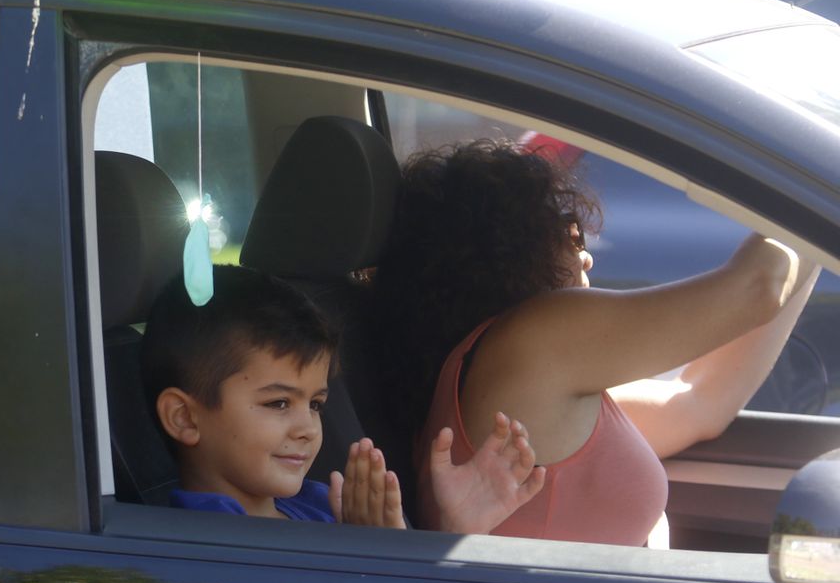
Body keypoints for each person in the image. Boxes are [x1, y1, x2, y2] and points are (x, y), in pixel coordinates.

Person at [373, 140, 819, 545]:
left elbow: (699, 402)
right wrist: (816, 184)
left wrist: (817, 236)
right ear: (510, 250)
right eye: (568, 230)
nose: (585, 251)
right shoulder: (538, 338)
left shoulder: (517, 377)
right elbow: (758, 288)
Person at [141, 265, 544, 531]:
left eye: (315, 404)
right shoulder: (211, 542)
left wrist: (455, 530)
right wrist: (377, 557)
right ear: (184, 419)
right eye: (279, 403)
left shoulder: (317, 503)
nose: (307, 429)